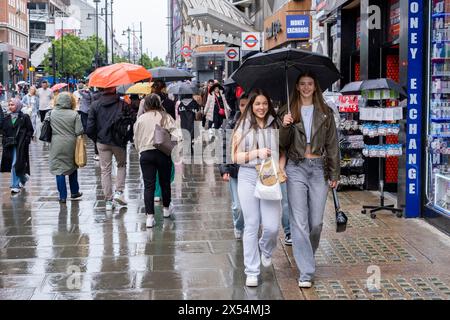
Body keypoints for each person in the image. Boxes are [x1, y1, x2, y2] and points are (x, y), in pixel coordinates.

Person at [279, 71, 340, 288]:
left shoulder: (325, 112)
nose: (306, 87)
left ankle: (307, 256)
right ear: (296, 87)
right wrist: (284, 126)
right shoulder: (287, 110)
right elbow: (281, 143)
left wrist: (334, 174)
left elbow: (333, 145)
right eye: (302, 84)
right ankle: (306, 271)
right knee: (299, 221)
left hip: (318, 169)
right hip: (296, 167)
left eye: (310, 84)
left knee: (316, 222)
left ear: (315, 87)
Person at [231, 89, 284, 287]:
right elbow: (234, 157)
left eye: (264, 103)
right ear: (251, 107)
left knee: (271, 227)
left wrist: (282, 167)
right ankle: (251, 271)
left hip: (270, 175)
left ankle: (266, 248)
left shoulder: (276, 123)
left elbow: (283, 151)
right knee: (252, 224)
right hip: (248, 176)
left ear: (268, 105)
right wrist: (256, 153)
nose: (261, 107)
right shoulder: (242, 126)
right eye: (257, 104)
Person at [133, 94, 177, 228]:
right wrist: (170, 145)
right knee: (165, 182)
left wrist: (141, 150)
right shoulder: (166, 116)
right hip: (163, 153)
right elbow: (177, 134)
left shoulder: (141, 119)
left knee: (148, 186)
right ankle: (165, 209)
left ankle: (149, 217)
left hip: (146, 153)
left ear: (146, 104)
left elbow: (136, 138)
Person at [86, 87, 128, 211]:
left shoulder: (95, 105)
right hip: (118, 142)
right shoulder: (123, 104)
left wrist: (97, 139)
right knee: (121, 165)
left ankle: (109, 201)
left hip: (102, 141)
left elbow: (89, 128)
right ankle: (119, 192)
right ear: (115, 89)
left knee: (105, 170)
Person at [219, 93, 248, 240]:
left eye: (248, 104)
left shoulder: (262, 124)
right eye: (242, 105)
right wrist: (224, 169)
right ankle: (238, 225)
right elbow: (223, 148)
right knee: (238, 206)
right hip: (236, 170)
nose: (245, 108)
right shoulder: (231, 124)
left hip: (255, 172)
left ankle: (252, 227)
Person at [47, 92, 84, 204]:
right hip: (71, 143)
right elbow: (79, 131)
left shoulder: (51, 113)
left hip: (56, 143)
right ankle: (74, 192)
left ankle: (62, 196)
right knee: (72, 166)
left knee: (59, 170)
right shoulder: (74, 114)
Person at [0, 98, 34, 196]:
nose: (10, 106)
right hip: (10, 145)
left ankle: (15, 185)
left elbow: (30, 130)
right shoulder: (6, 118)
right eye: (9, 105)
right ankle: (24, 178)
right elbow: (3, 130)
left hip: (21, 145)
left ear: (18, 105)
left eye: (12, 104)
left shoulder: (24, 117)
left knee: (15, 164)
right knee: (14, 164)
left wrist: (26, 139)